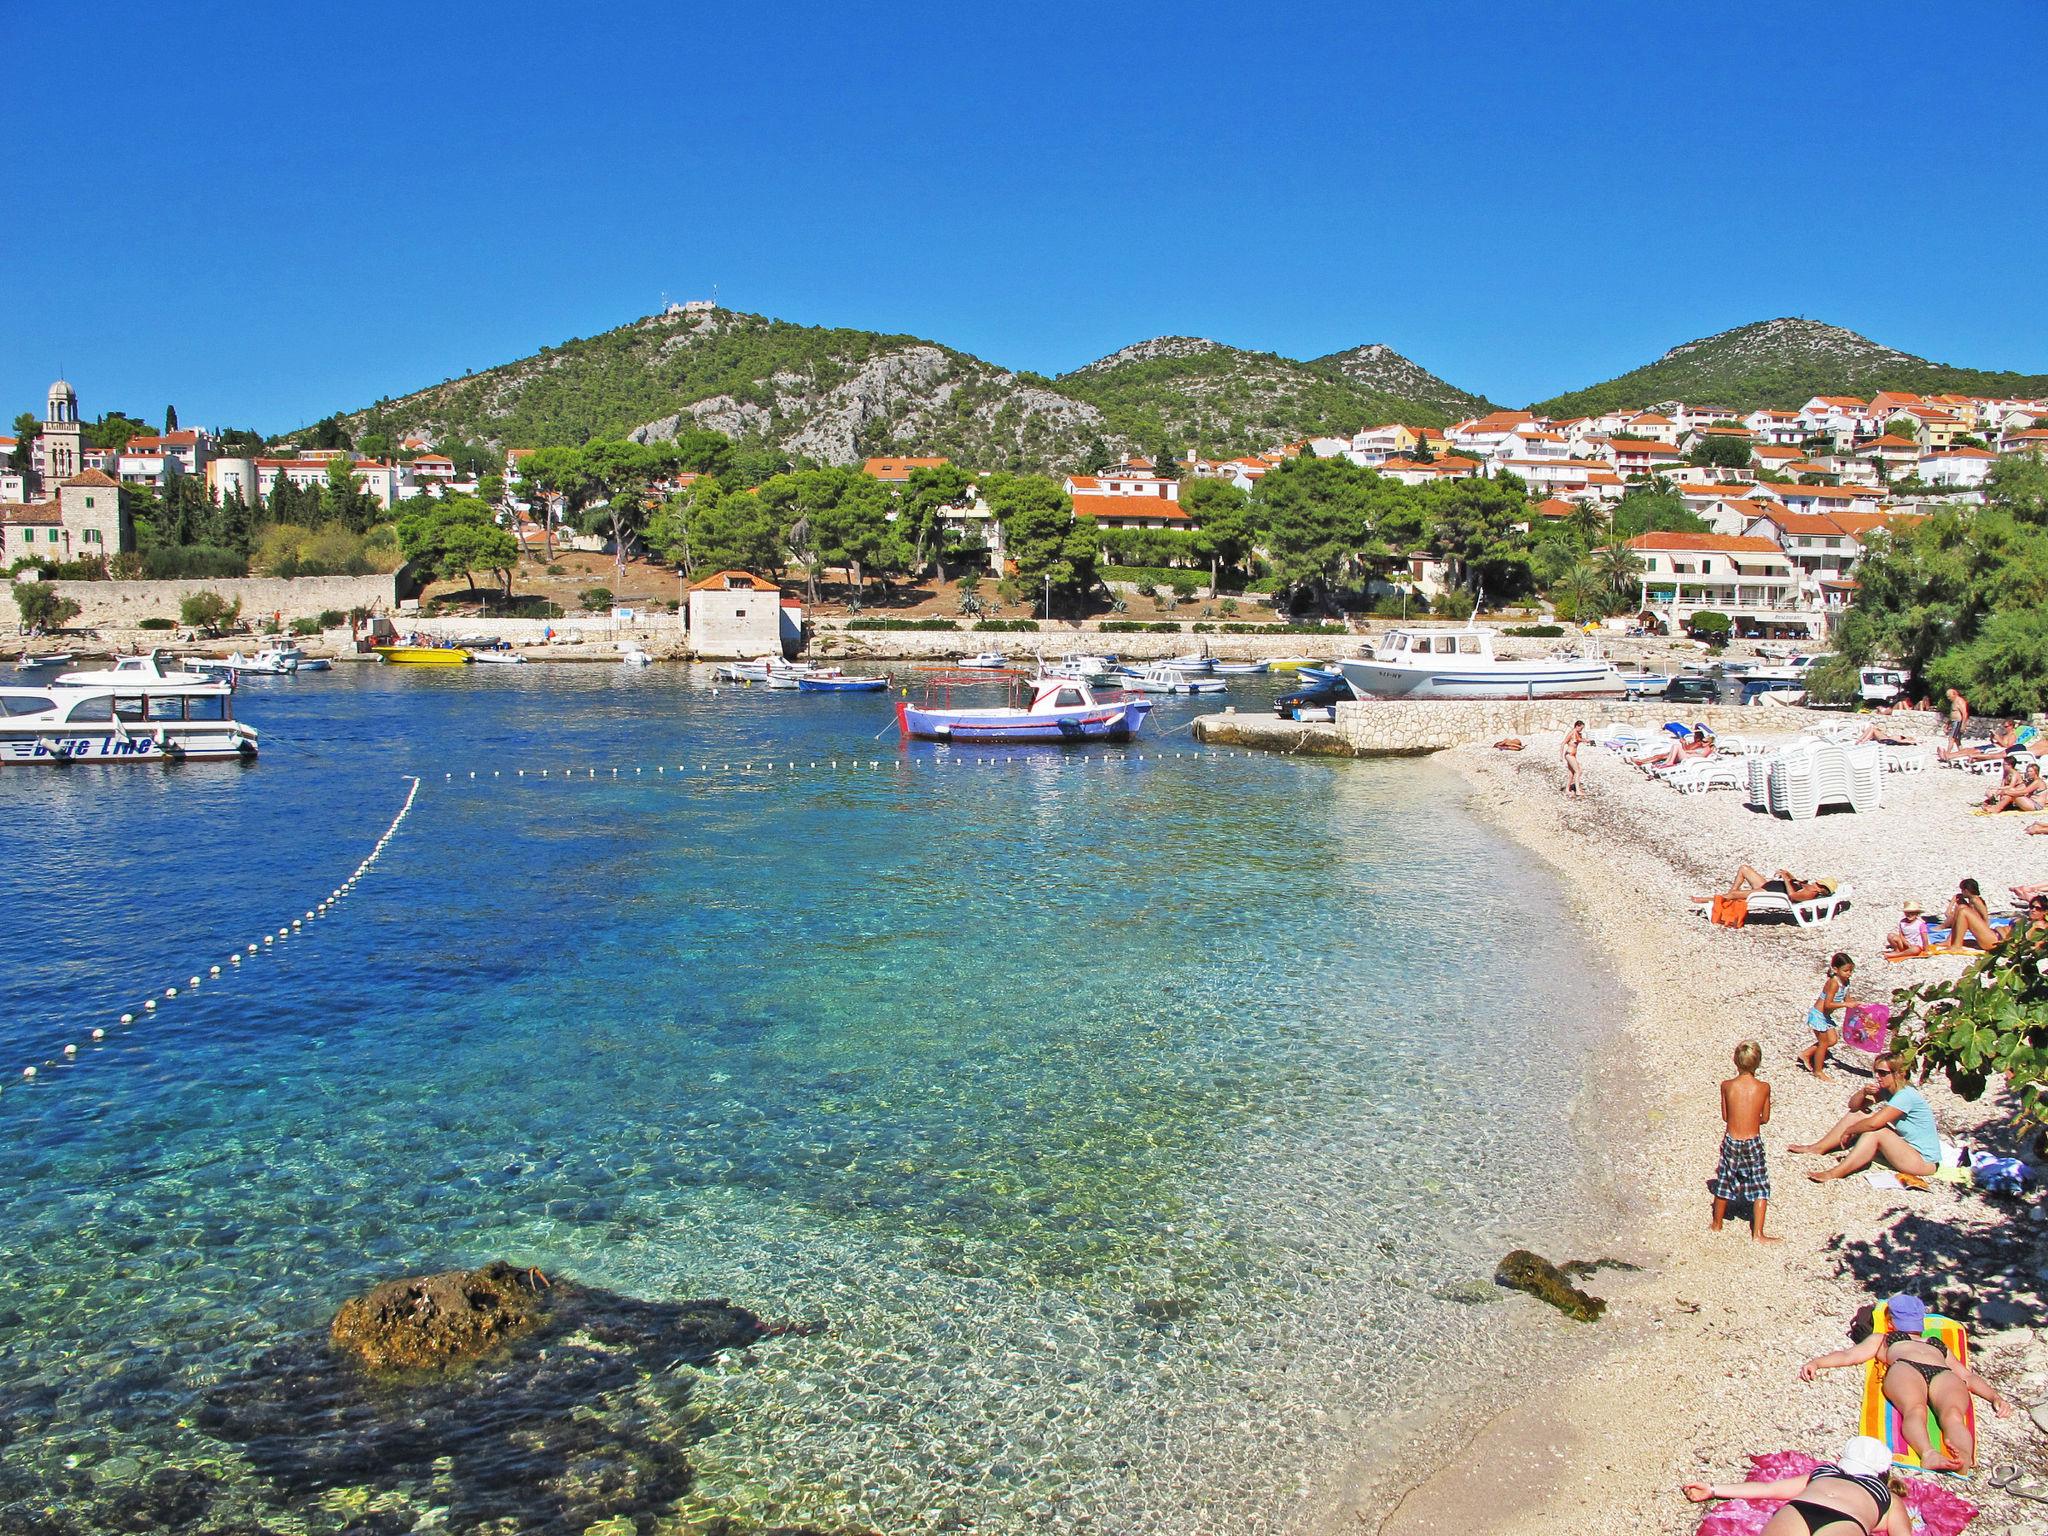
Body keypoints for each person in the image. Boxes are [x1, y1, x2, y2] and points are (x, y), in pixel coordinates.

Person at [1798, 1293, 2015, 1472]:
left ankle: (1949, 1457)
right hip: (1941, 1371)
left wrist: (1995, 1397)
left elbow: (1849, 1355)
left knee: (1916, 1410)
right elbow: (1967, 1376)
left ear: (1891, 1321)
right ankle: (1951, 1457)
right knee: (1952, 1415)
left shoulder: (1885, 1338)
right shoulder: (1937, 1343)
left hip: (1907, 1367)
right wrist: (1818, 1363)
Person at [1682, 1435, 1910, 1535]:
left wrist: (1713, 1488)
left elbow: (1769, 1489)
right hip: (1847, 1520)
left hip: (1801, 1510)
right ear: (1881, 1474)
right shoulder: (1887, 1498)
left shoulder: (1825, 1472)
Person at [1790, 1055, 1941, 1183]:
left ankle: (1835, 1173)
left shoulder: (1905, 1096)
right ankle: (1818, 1147)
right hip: (1907, 1150)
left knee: (1876, 1132)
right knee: (1859, 1114)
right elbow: (1854, 1107)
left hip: (1923, 1162)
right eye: (1876, 1072)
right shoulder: (1890, 1090)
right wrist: (1863, 1093)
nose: (1878, 1077)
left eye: (1883, 1073)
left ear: (1898, 1073)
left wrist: (1850, 1130)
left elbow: (1874, 1124)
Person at [1711, 1040, 1777, 1240]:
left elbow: (1725, 1116)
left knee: (1725, 1179)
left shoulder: (1726, 1085)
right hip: (1752, 1140)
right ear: (1759, 1063)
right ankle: (1758, 1233)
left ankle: (1717, 1223)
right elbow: (1765, 1118)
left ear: (1734, 1061)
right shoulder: (1763, 1087)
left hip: (1732, 1139)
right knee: (1760, 1183)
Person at [1799, 953, 1854, 1080]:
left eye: (1851, 970)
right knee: (1823, 1043)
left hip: (1825, 1016)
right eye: (1846, 970)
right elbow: (1828, 1005)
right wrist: (1846, 1004)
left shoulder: (1846, 982)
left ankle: (1806, 1054)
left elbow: (1848, 998)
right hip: (1818, 1015)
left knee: (1832, 1040)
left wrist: (1856, 1005)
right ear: (1835, 969)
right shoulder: (1833, 983)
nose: (1849, 973)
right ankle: (1818, 1071)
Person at [1696, 865, 1837, 905]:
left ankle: (1707, 899)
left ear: (1822, 887)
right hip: (1769, 885)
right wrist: (1787, 874)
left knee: (1734, 895)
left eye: (1821, 882)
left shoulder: (1810, 893)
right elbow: (1795, 882)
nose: (1818, 881)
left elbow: (1793, 895)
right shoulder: (1809, 886)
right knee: (1744, 869)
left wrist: (1786, 880)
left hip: (1770, 893)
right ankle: (1729, 900)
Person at [1943, 878, 2001, 950]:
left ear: (1966, 891)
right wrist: (1949, 908)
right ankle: (1949, 941)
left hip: (1982, 927)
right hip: (1977, 924)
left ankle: (1955, 944)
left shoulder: (1976, 901)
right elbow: (1956, 896)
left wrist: (1985, 930)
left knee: (1962, 909)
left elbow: (1985, 917)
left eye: (1962, 890)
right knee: (1960, 907)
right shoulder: (1972, 899)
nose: (1961, 892)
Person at [1635, 725, 1714, 772]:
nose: (1694, 735)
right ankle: (1642, 761)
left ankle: (1642, 762)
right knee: (1659, 756)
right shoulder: (1699, 743)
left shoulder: (1699, 744)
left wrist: (1683, 744)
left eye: (1696, 734)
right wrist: (1685, 744)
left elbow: (1686, 750)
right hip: (1686, 756)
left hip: (1687, 758)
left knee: (1660, 756)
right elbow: (1689, 750)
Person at [1562, 719, 1585, 799]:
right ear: (1577, 726)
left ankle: (1567, 789)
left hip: (1572, 755)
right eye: (1581, 728)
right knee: (1578, 771)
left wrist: (1586, 741)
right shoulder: (1572, 733)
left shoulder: (1577, 734)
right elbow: (1563, 743)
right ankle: (1578, 791)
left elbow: (1579, 740)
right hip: (1569, 754)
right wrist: (1561, 756)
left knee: (1571, 773)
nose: (1581, 730)